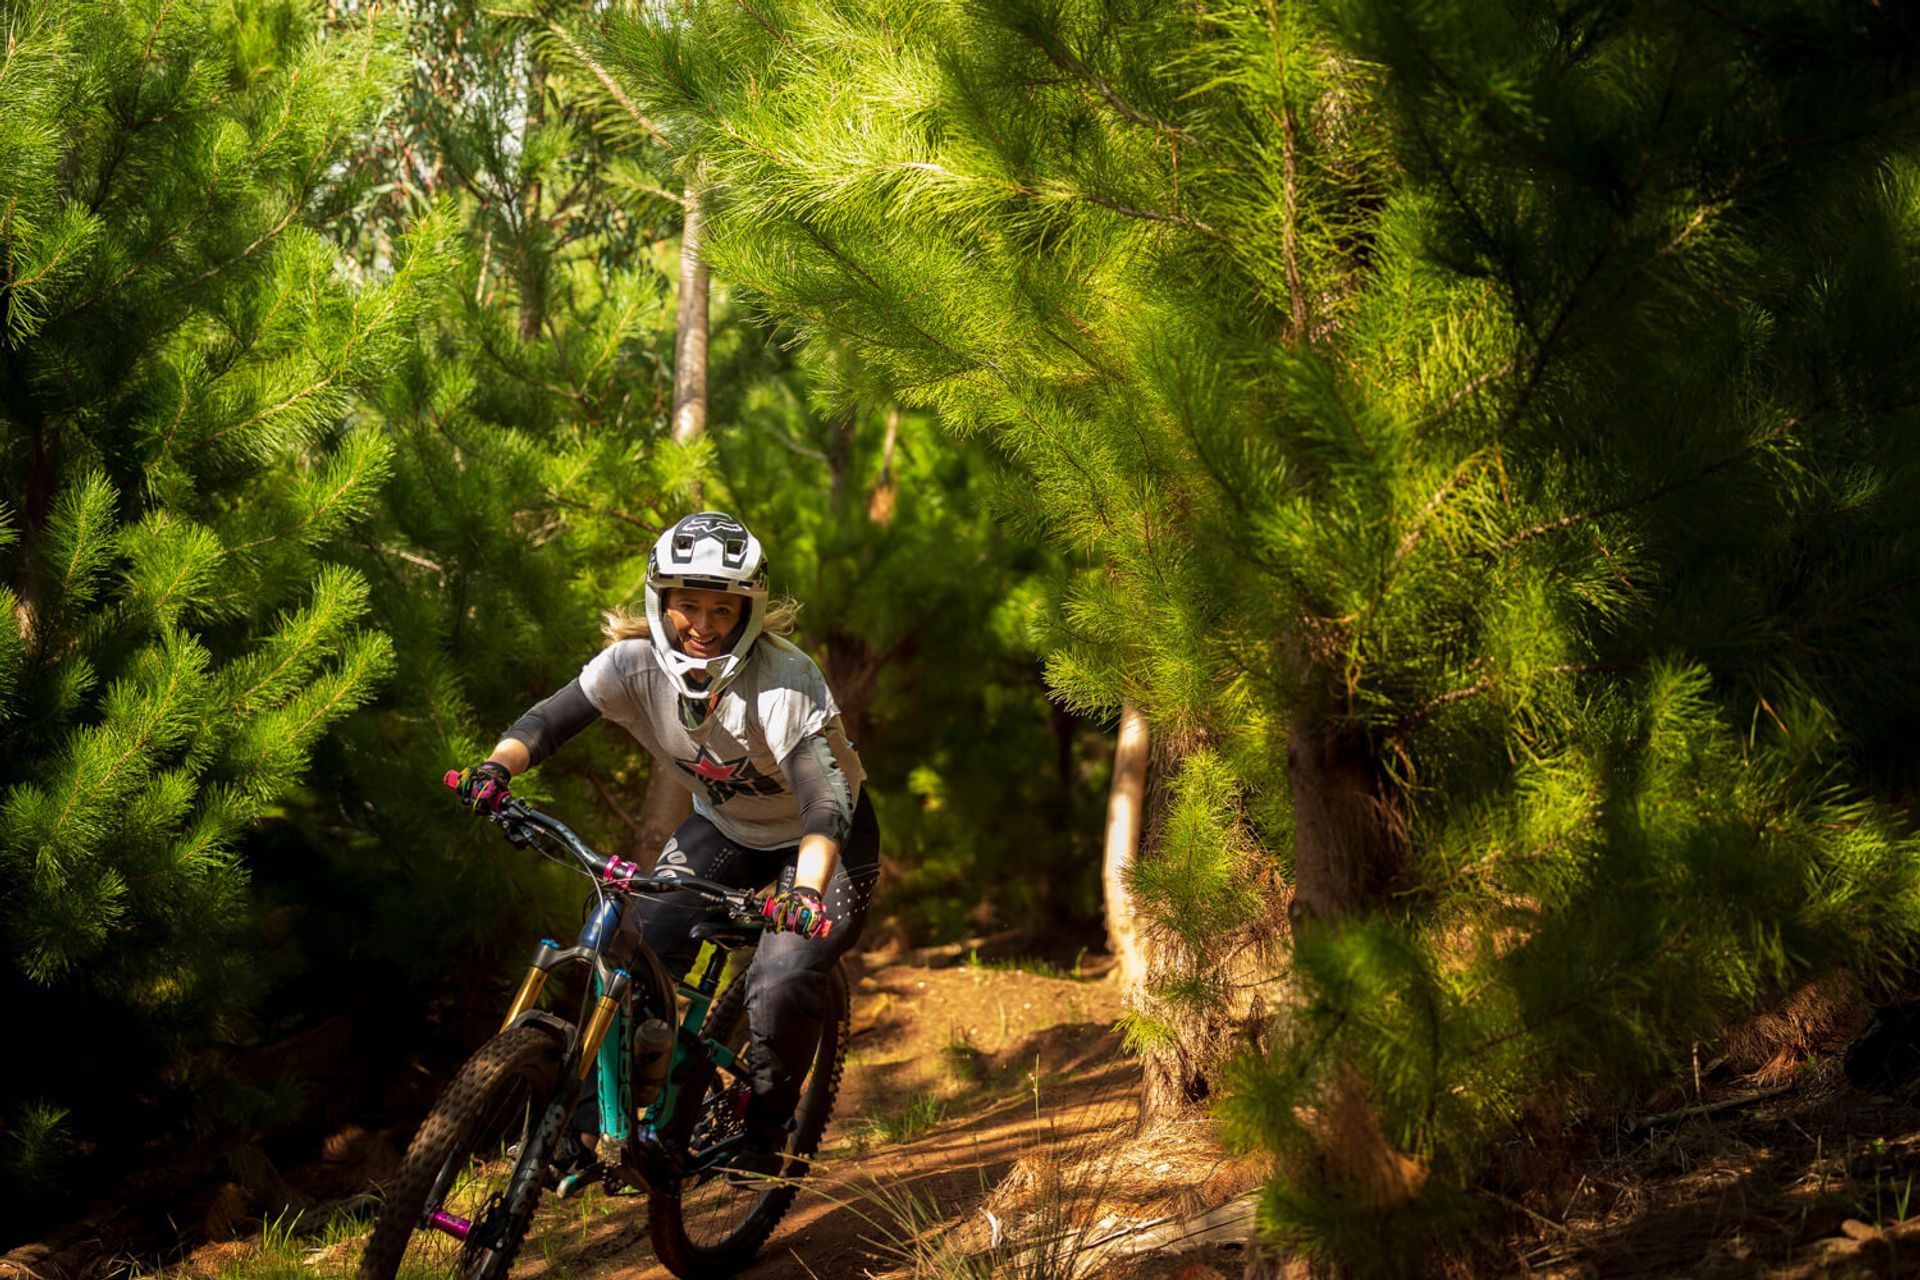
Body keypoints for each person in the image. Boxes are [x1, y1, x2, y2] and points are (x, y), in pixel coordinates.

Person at [449, 511, 880, 1179]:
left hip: (826, 843)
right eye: (687, 605)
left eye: (722, 608)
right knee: (633, 947)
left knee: (782, 975)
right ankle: (591, 1127)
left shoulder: (785, 682)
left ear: (749, 613)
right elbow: (546, 722)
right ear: (660, 601)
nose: (703, 625)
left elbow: (824, 804)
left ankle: (768, 1127)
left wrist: (804, 892)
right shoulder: (630, 665)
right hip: (726, 827)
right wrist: (495, 770)